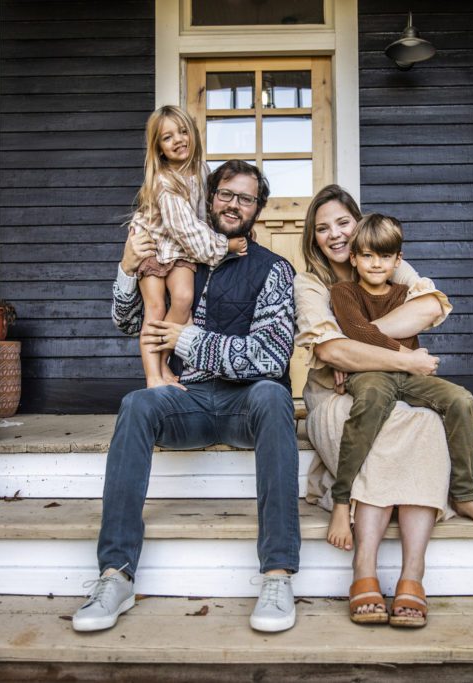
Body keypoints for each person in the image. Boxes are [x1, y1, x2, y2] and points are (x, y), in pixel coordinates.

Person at [73, 160, 300, 634]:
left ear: (258, 208)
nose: (234, 204)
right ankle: (115, 575)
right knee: (136, 404)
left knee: (275, 396)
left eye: (246, 198)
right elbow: (131, 323)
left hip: (246, 406)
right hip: (187, 401)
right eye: (225, 194)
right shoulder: (181, 258)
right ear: (209, 198)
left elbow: (270, 358)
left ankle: (277, 575)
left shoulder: (275, 270)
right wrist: (125, 266)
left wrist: (188, 340)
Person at [294, 185, 473, 628]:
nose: (335, 234)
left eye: (343, 222)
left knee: (424, 423)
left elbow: (427, 308)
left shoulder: (388, 258)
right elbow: (331, 356)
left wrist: (359, 344)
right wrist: (399, 355)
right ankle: (363, 566)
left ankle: (412, 574)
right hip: (335, 392)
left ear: (359, 221)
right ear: (313, 237)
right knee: (382, 427)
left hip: (400, 381)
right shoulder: (312, 282)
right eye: (323, 228)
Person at [327, 213, 473, 563]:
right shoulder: (343, 291)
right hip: (371, 373)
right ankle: (341, 499)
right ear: (353, 258)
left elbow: (367, 332)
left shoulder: (403, 294)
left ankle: (463, 492)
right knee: (369, 401)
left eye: (384, 256)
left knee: (460, 399)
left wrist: (378, 342)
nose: (375, 263)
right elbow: (357, 332)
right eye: (366, 255)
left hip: (410, 376)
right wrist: (402, 352)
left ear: (398, 260)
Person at [127, 105, 248, 388]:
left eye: (183, 132)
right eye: (167, 137)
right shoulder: (165, 183)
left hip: (180, 251)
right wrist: (224, 244)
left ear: (192, 133)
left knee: (182, 299)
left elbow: (204, 216)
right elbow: (187, 230)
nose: (178, 140)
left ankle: (164, 364)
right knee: (155, 309)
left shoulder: (200, 171)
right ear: (158, 148)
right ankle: (153, 376)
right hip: (154, 248)